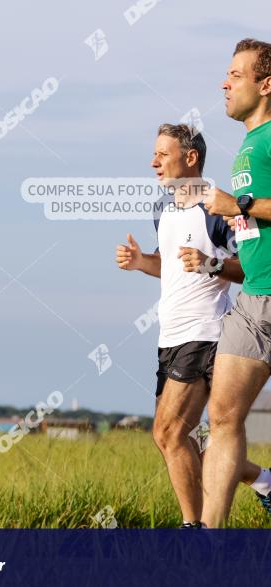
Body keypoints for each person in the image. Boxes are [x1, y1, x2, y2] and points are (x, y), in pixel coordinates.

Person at [116, 124, 271, 528]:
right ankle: (264, 482)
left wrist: (211, 263)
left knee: (168, 434)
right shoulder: (161, 209)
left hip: (206, 333)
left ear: (191, 158)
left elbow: (248, 267)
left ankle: (194, 529)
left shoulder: (218, 209)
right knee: (178, 439)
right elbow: (170, 266)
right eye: (154, 154)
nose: (153, 162)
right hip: (170, 335)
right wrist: (139, 262)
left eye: (162, 155)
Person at [200, 38, 271, 527]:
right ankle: (208, 542)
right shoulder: (248, 144)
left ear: (265, 85)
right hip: (254, 298)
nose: (225, 83)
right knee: (222, 418)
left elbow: (248, 211)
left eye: (236, 75)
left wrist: (237, 207)